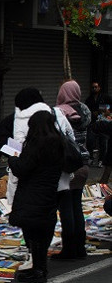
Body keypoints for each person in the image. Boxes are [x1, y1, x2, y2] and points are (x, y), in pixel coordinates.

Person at [8, 110, 64, 282]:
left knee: (33, 232)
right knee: (43, 232)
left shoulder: (37, 144)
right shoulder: (58, 142)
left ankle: (38, 270)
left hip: (32, 194)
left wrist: (13, 155)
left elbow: (21, 168)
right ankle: (40, 268)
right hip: (49, 193)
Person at [6, 88, 72, 205]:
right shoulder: (55, 112)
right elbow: (70, 135)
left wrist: (12, 156)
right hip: (59, 176)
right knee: (64, 207)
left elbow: (18, 147)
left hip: (32, 179)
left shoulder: (20, 118)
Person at [53, 80, 91, 260]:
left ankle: (69, 249)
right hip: (83, 164)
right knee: (77, 206)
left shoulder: (61, 113)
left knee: (66, 207)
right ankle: (80, 248)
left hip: (68, 165)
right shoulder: (85, 111)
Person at [85, 81, 112, 165]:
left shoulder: (105, 97)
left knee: (103, 142)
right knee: (90, 141)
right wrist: (92, 112)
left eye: (96, 87)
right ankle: (91, 158)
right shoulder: (89, 99)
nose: (94, 89)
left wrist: (106, 112)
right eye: (93, 87)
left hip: (103, 122)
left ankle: (101, 160)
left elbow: (110, 107)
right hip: (92, 124)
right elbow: (86, 110)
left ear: (99, 88)